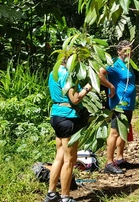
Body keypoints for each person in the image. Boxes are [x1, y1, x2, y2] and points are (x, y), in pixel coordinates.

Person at [44, 58, 92, 202]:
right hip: (68, 118)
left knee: (59, 156)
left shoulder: (55, 72)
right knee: (70, 159)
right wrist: (87, 88)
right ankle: (65, 196)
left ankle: (51, 193)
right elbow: (75, 99)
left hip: (56, 115)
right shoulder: (67, 75)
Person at [99, 40, 136, 174]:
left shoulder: (128, 64)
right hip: (119, 104)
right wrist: (111, 87)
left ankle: (120, 159)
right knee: (114, 132)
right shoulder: (114, 63)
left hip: (128, 103)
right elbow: (100, 73)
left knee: (124, 130)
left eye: (130, 50)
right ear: (119, 51)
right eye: (125, 50)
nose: (129, 52)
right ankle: (109, 162)